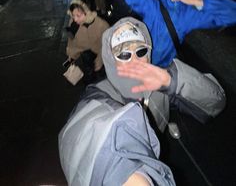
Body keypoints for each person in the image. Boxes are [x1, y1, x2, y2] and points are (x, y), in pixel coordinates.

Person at [59, 17, 225, 185]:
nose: (135, 60)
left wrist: (172, 82)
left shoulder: (160, 82)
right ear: (111, 59)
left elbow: (216, 103)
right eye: (123, 54)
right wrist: (124, 174)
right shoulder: (98, 94)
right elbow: (84, 135)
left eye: (140, 51)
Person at [122, 0, 236, 67]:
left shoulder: (189, 15)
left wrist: (199, 1)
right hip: (141, 63)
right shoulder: (152, 7)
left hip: (164, 68)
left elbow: (232, 14)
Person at [65, 0, 109, 83]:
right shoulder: (73, 24)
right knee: (88, 75)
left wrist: (100, 60)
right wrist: (70, 59)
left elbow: (106, 44)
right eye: (73, 16)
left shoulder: (101, 25)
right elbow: (72, 43)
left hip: (100, 53)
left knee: (102, 77)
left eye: (78, 15)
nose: (75, 19)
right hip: (85, 54)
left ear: (87, 12)